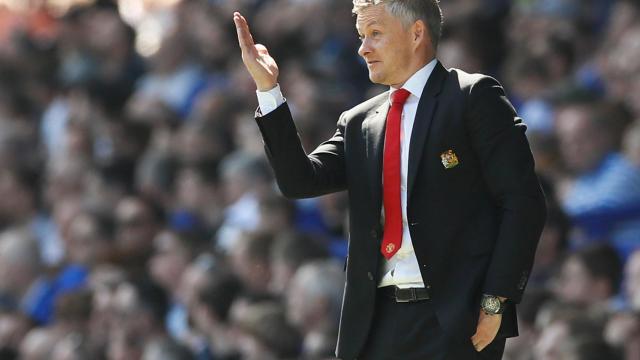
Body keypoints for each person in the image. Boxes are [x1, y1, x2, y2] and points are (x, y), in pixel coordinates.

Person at [233, 0, 546, 358]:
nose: (362, 47)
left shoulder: (471, 97)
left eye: (375, 34)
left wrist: (496, 300)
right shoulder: (360, 121)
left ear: (416, 33)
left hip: (454, 318)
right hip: (375, 321)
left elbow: (523, 202)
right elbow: (299, 181)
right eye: (361, 35)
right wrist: (268, 90)